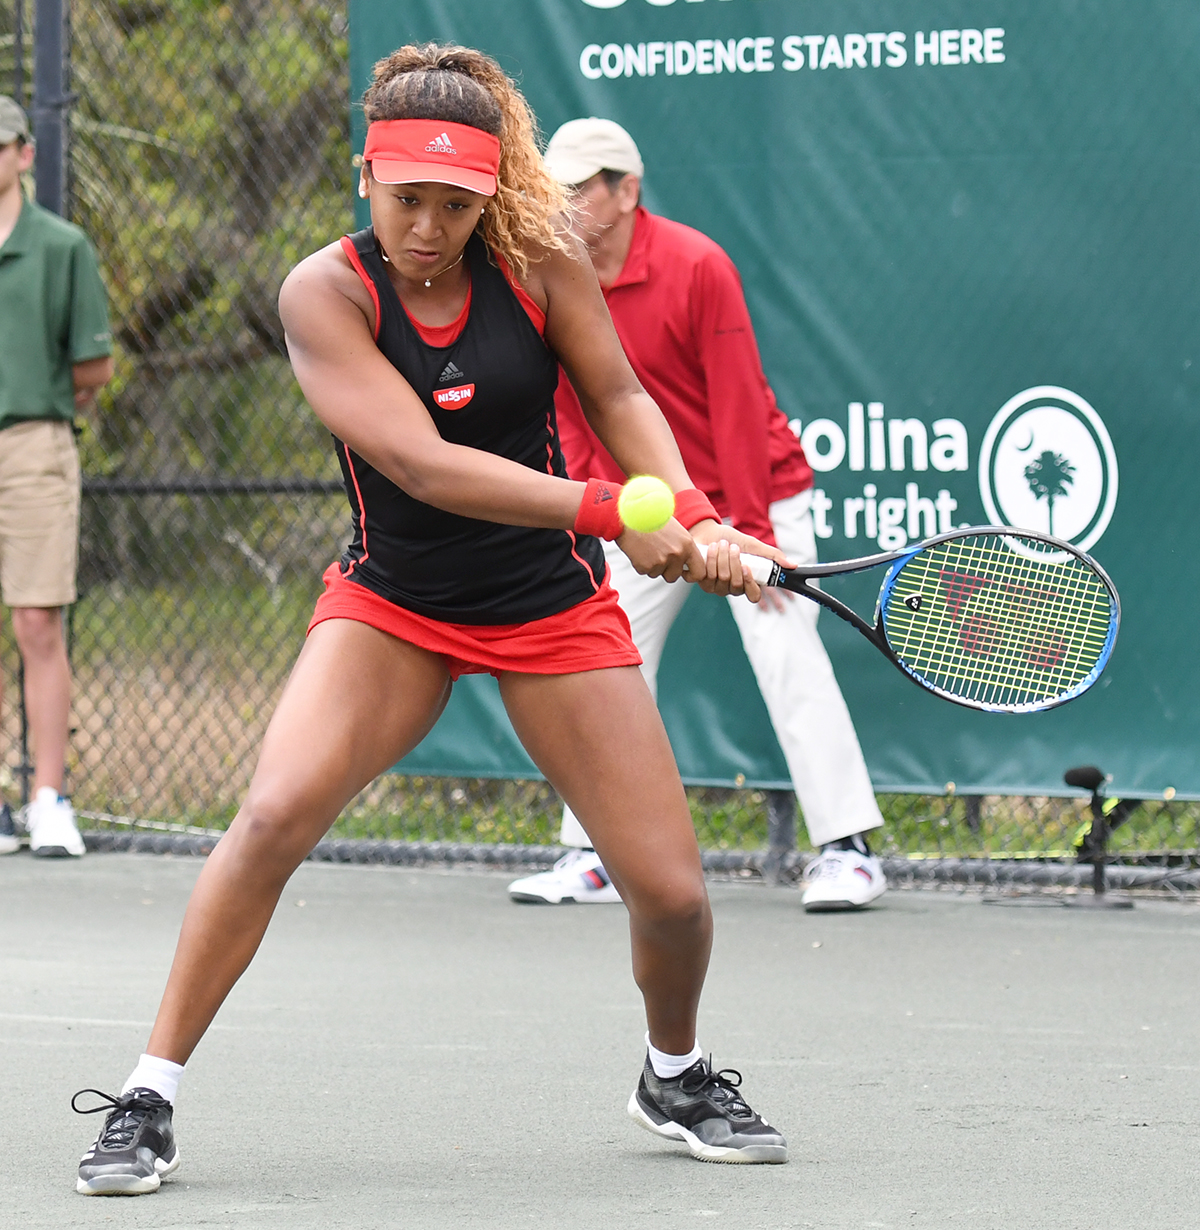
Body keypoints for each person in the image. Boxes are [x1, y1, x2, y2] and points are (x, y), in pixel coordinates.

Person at [70, 45, 794, 1196]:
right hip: (393, 605)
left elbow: (617, 395)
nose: (428, 226)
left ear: (487, 197)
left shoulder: (540, 258)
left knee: (672, 894)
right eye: (408, 198)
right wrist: (616, 508)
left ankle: (677, 1072)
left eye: (455, 205)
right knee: (269, 819)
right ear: (368, 176)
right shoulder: (324, 293)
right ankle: (148, 1095)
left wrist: (699, 513)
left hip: (545, 603)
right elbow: (421, 463)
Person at [506, 119, 887, 914]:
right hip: (649, 510)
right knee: (605, 663)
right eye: (554, 189)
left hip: (754, 497)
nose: (563, 204)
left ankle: (849, 851)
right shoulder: (551, 276)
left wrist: (749, 529)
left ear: (627, 190)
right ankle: (594, 855)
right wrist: (614, 518)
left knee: (787, 652)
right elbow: (572, 414)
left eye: (579, 188)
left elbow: (739, 402)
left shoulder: (696, 264)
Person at [0, 96, 112, 859]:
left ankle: (48, 798)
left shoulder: (62, 245)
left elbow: (91, 369)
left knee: (38, 622)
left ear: (21, 154)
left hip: (31, 446)